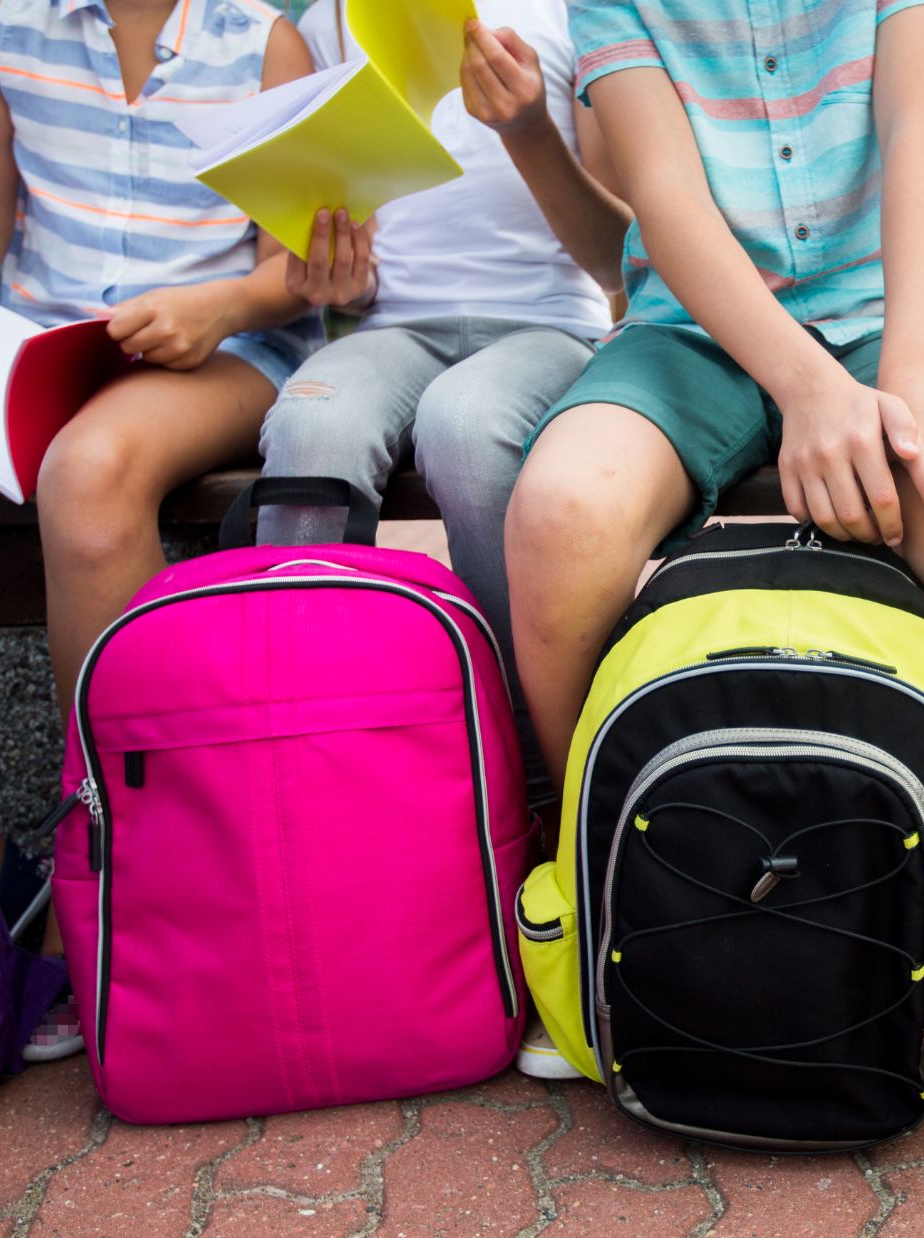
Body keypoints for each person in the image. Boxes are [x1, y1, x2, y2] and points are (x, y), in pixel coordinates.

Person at [504, 0, 924, 1075]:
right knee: (561, 513)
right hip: (687, 330)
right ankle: (591, 869)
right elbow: (661, 190)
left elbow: (919, 146)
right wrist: (803, 387)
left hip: (887, 318)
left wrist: (918, 375)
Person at [0, 0, 323, 1054]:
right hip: (33, 349)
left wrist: (217, 306)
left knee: (87, 476)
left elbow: (297, 267)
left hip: (213, 356)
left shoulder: (260, 37)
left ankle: (109, 873)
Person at [258, 0, 631, 833]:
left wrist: (530, 126)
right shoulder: (329, 23)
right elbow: (341, 281)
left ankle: (536, 782)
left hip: (549, 323)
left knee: (466, 426)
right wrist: (333, 276)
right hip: (391, 326)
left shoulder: (577, 14)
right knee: (310, 425)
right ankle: (305, 763)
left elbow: (620, 258)